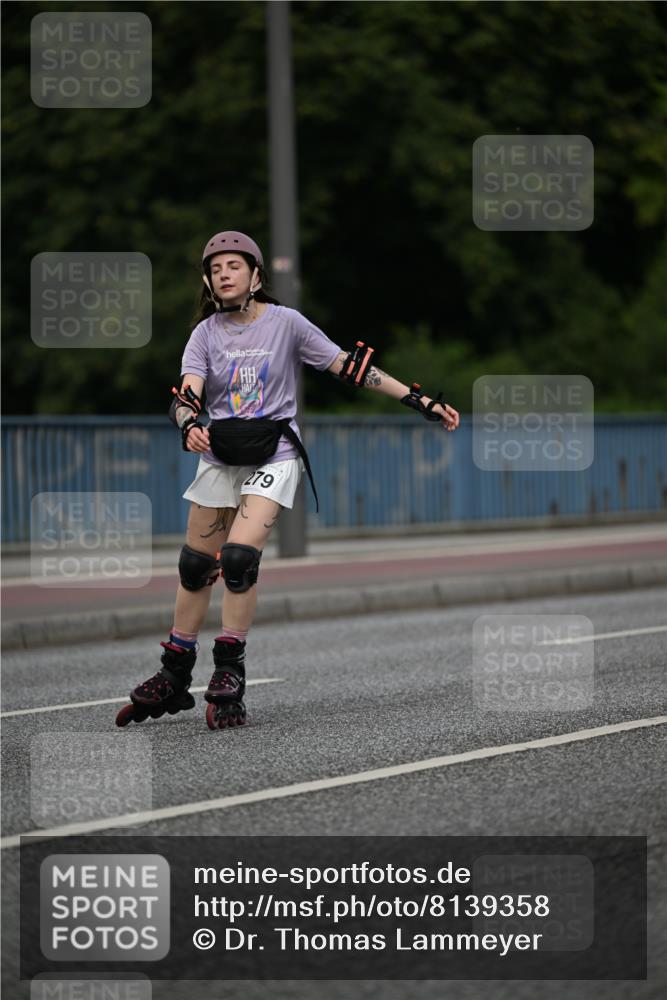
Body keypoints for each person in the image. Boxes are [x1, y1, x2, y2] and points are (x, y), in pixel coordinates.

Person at [116, 231, 460, 731]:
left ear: (256, 275)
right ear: (208, 282)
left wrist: (419, 401)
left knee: (236, 558)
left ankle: (230, 669)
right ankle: (175, 670)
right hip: (220, 454)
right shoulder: (205, 334)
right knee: (194, 566)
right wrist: (189, 424)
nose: (224, 275)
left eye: (234, 266)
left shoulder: (287, 324)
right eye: (216, 269)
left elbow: (350, 366)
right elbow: (186, 394)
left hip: (274, 453)